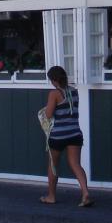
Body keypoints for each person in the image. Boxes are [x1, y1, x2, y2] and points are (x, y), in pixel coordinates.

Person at [40, 65, 93, 207]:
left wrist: (44, 111)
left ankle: (51, 196)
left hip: (58, 135)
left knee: (53, 166)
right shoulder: (74, 91)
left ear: (54, 80)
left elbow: (49, 114)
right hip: (75, 133)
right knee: (75, 164)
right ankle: (85, 192)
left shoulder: (54, 94)